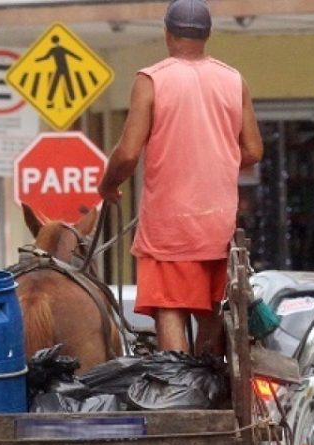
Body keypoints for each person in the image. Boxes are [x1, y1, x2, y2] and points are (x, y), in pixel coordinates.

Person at [98, 0, 263, 355]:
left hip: (169, 224)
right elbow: (252, 150)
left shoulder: (151, 80)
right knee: (211, 310)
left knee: (168, 306)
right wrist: (213, 161)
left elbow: (127, 153)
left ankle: (179, 386)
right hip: (218, 225)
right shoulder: (234, 80)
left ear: (166, 33)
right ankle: (208, 383)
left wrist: (108, 184)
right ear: (207, 35)